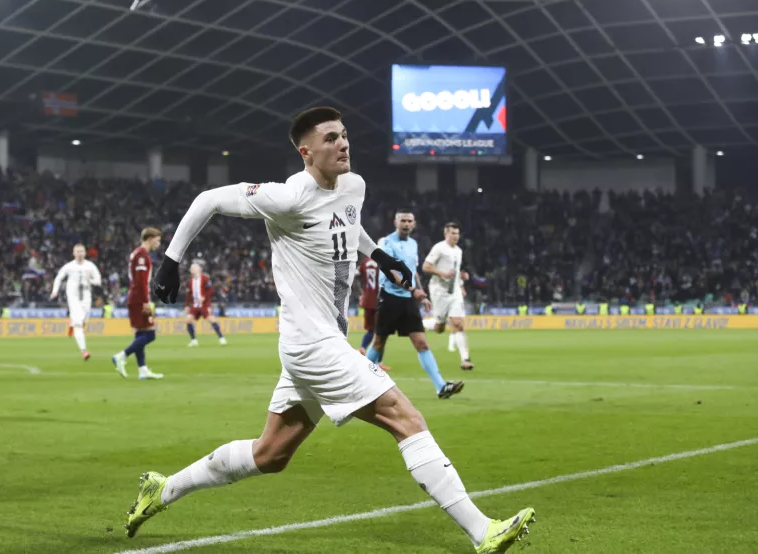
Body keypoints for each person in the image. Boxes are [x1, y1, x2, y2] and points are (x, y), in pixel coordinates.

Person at [122, 107, 535, 553]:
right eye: (332, 138)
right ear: (307, 152)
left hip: (322, 340)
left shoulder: (353, 185)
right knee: (406, 418)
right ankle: (482, 531)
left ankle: (162, 490)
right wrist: (172, 260)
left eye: (345, 136)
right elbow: (208, 199)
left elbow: (347, 225)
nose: (343, 144)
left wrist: (381, 256)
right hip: (311, 343)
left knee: (270, 454)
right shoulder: (287, 197)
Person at [367, 211, 464, 399]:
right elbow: (390, 272)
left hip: (409, 299)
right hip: (389, 298)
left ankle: (441, 387)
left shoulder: (413, 244)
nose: (405, 224)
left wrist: (421, 294)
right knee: (379, 343)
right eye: (402, 220)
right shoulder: (385, 242)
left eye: (409, 221)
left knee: (421, 343)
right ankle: (356, 380)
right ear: (395, 222)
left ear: (414, 224)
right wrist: (413, 290)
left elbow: (413, 271)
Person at [111, 228, 165, 380]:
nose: (158, 243)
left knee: (141, 334)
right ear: (149, 238)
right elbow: (141, 282)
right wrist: (146, 301)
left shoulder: (137, 253)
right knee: (151, 334)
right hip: (138, 298)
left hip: (134, 297)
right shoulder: (142, 256)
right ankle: (121, 356)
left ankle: (143, 370)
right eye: (158, 240)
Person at [423, 222, 474, 370]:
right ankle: (422, 324)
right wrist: (443, 274)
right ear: (446, 234)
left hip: (454, 291)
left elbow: (455, 271)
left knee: (458, 323)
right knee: (439, 327)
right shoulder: (439, 248)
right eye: (452, 233)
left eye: (457, 233)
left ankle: (465, 359)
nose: (455, 236)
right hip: (439, 290)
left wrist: (461, 278)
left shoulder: (458, 250)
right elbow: (426, 266)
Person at [50, 243, 102, 361]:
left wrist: (91, 281)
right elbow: (59, 277)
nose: (80, 253)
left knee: (83, 321)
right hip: (73, 297)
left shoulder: (90, 266)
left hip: (86, 296)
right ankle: (84, 351)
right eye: (77, 251)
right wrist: (55, 291)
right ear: (73, 253)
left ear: (85, 252)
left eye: (82, 251)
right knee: (79, 324)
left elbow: (98, 280)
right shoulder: (69, 266)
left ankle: (72, 322)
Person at [184, 263, 227, 347]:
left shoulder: (205, 278)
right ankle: (194, 340)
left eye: (193, 268)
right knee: (188, 320)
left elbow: (211, 290)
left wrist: (204, 297)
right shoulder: (190, 281)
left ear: (199, 269)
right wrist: (186, 305)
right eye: (191, 268)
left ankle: (221, 338)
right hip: (195, 305)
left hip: (205, 305)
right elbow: (189, 294)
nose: (191, 269)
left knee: (211, 320)